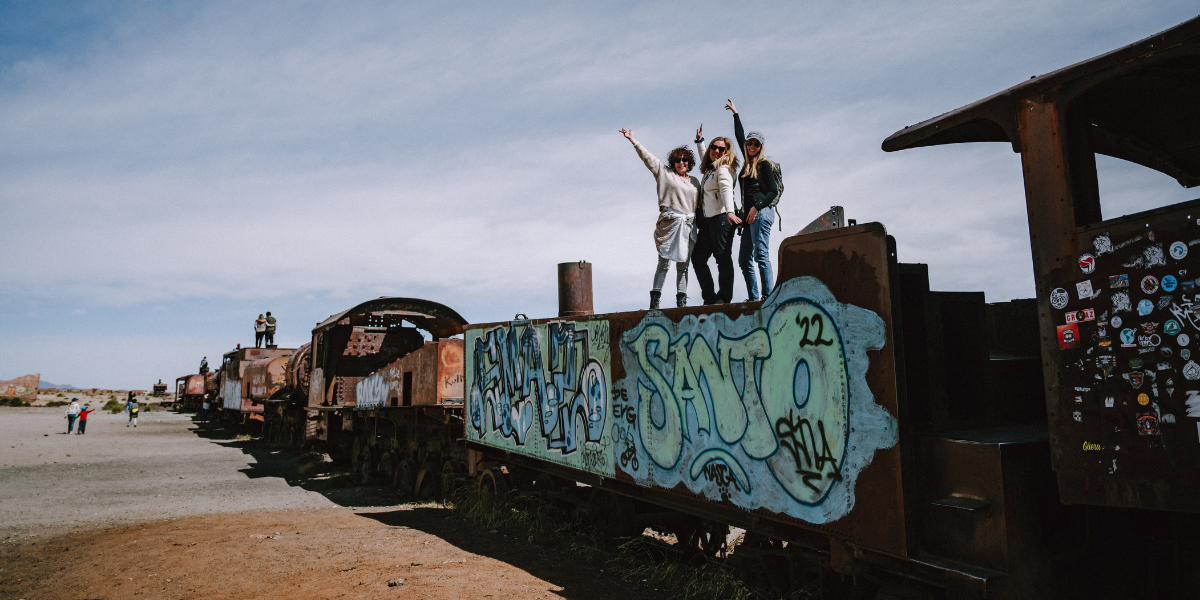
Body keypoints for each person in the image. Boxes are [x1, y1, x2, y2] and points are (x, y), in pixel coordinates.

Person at [620, 128, 701, 309]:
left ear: (689, 162)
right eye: (678, 160)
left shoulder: (695, 182)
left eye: (685, 160)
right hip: (670, 224)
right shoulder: (665, 173)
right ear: (673, 162)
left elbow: (702, 204)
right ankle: (655, 301)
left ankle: (681, 302)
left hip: (688, 226)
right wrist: (633, 140)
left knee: (683, 265)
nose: (681, 162)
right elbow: (648, 158)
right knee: (663, 263)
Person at [726, 100, 781, 302]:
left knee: (761, 255)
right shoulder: (748, 162)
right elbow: (740, 135)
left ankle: (768, 297)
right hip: (749, 216)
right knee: (744, 259)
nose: (751, 146)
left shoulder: (764, 164)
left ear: (760, 147)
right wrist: (736, 114)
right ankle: (753, 298)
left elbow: (773, 192)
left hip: (761, 212)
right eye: (750, 143)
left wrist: (756, 208)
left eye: (756, 144)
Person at [691, 126, 742, 304]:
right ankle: (710, 298)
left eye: (722, 149)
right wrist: (700, 142)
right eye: (714, 147)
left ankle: (724, 297)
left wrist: (730, 212)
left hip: (722, 218)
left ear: (726, 152)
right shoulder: (711, 170)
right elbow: (706, 156)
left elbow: (726, 190)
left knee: (722, 257)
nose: (717, 151)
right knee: (698, 258)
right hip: (708, 221)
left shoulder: (724, 169)